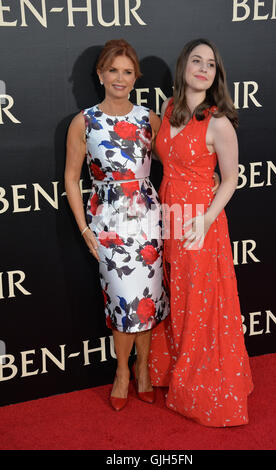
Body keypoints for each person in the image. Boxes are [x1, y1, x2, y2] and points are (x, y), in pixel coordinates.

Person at [148, 38, 254, 427]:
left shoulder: (219, 122)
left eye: (211, 64)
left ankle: (199, 386)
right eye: (197, 60)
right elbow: (169, 156)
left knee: (199, 303)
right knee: (174, 296)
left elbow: (230, 179)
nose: (203, 68)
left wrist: (207, 219)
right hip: (168, 217)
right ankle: (171, 371)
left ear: (216, 75)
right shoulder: (169, 109)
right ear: (184, 67)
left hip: (198, 224)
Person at [64, 39, 170, 411]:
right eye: (113, 70)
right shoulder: (84, 121)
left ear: (135, 77)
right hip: (107, 219)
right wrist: (84, 228)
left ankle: (143, 370)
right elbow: (71, 180)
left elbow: (174, 165)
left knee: (147, 299)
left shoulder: (148, 119)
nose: (120, 78)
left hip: (147, 218)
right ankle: (122, 371)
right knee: (123, 296)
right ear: (100, 74)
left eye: (127, 71)